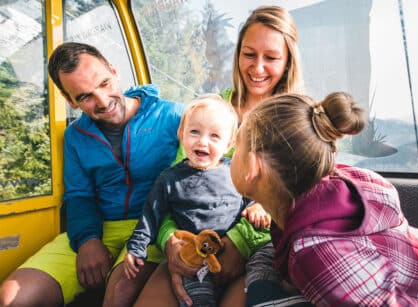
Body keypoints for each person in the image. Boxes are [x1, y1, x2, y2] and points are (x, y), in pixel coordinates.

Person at [135, 5, 308, 307]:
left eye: (271, 58)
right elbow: (174, 185)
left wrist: (237, 244)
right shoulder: (210, 109)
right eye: (249, 54)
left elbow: (289, 202)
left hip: (257, 249)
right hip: (192, 241)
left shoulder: (294, 120)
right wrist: (171, 243)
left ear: (288, 61)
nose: (257, 68)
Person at [230, 92, 418, 306]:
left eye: (236, 145)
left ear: (253, 166)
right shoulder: (349, 181)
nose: (230, 151)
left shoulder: (313, 255)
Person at [0, 42, 185, 307]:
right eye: (85, 96)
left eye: (104, 83)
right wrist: (87, 239)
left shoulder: (173, 116)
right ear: (69, 101)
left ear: (114, 71)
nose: (103, 101)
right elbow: (78, 194)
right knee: (11, 297)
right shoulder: (75, 136)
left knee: (119, 293)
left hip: (154, 226)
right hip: (99, 226)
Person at [124, 94, 269, 306]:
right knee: (198, 300)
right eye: (194, 132)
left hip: (233, 255)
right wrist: (136, 248)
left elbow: (253, 197)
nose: (202, 141)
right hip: (194, 259)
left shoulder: (236, 171)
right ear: (181, 134)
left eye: (214, 136)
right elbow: (150, 216)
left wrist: (257, 205)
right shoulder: (170, 179)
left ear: (228, 143)